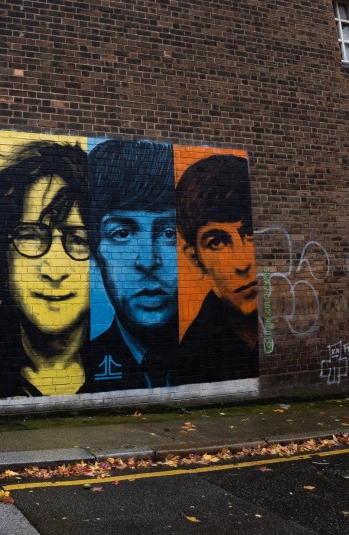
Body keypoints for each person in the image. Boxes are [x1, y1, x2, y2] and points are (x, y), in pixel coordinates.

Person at [0, 141, 90, 397]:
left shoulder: (136, 364)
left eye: (78, 239)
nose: (54, 270)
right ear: (4, 254)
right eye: (31, 236)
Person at [86, 139, 179, 391]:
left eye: (169, 233)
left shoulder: (219, 355)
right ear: (94, 254)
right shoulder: (82, 372)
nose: (148, 261)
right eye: (122, 233)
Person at [175, 154, 259, 383]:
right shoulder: (194, 359)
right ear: (196, 260)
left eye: (250, 232)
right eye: (217, 242)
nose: (242, 263)